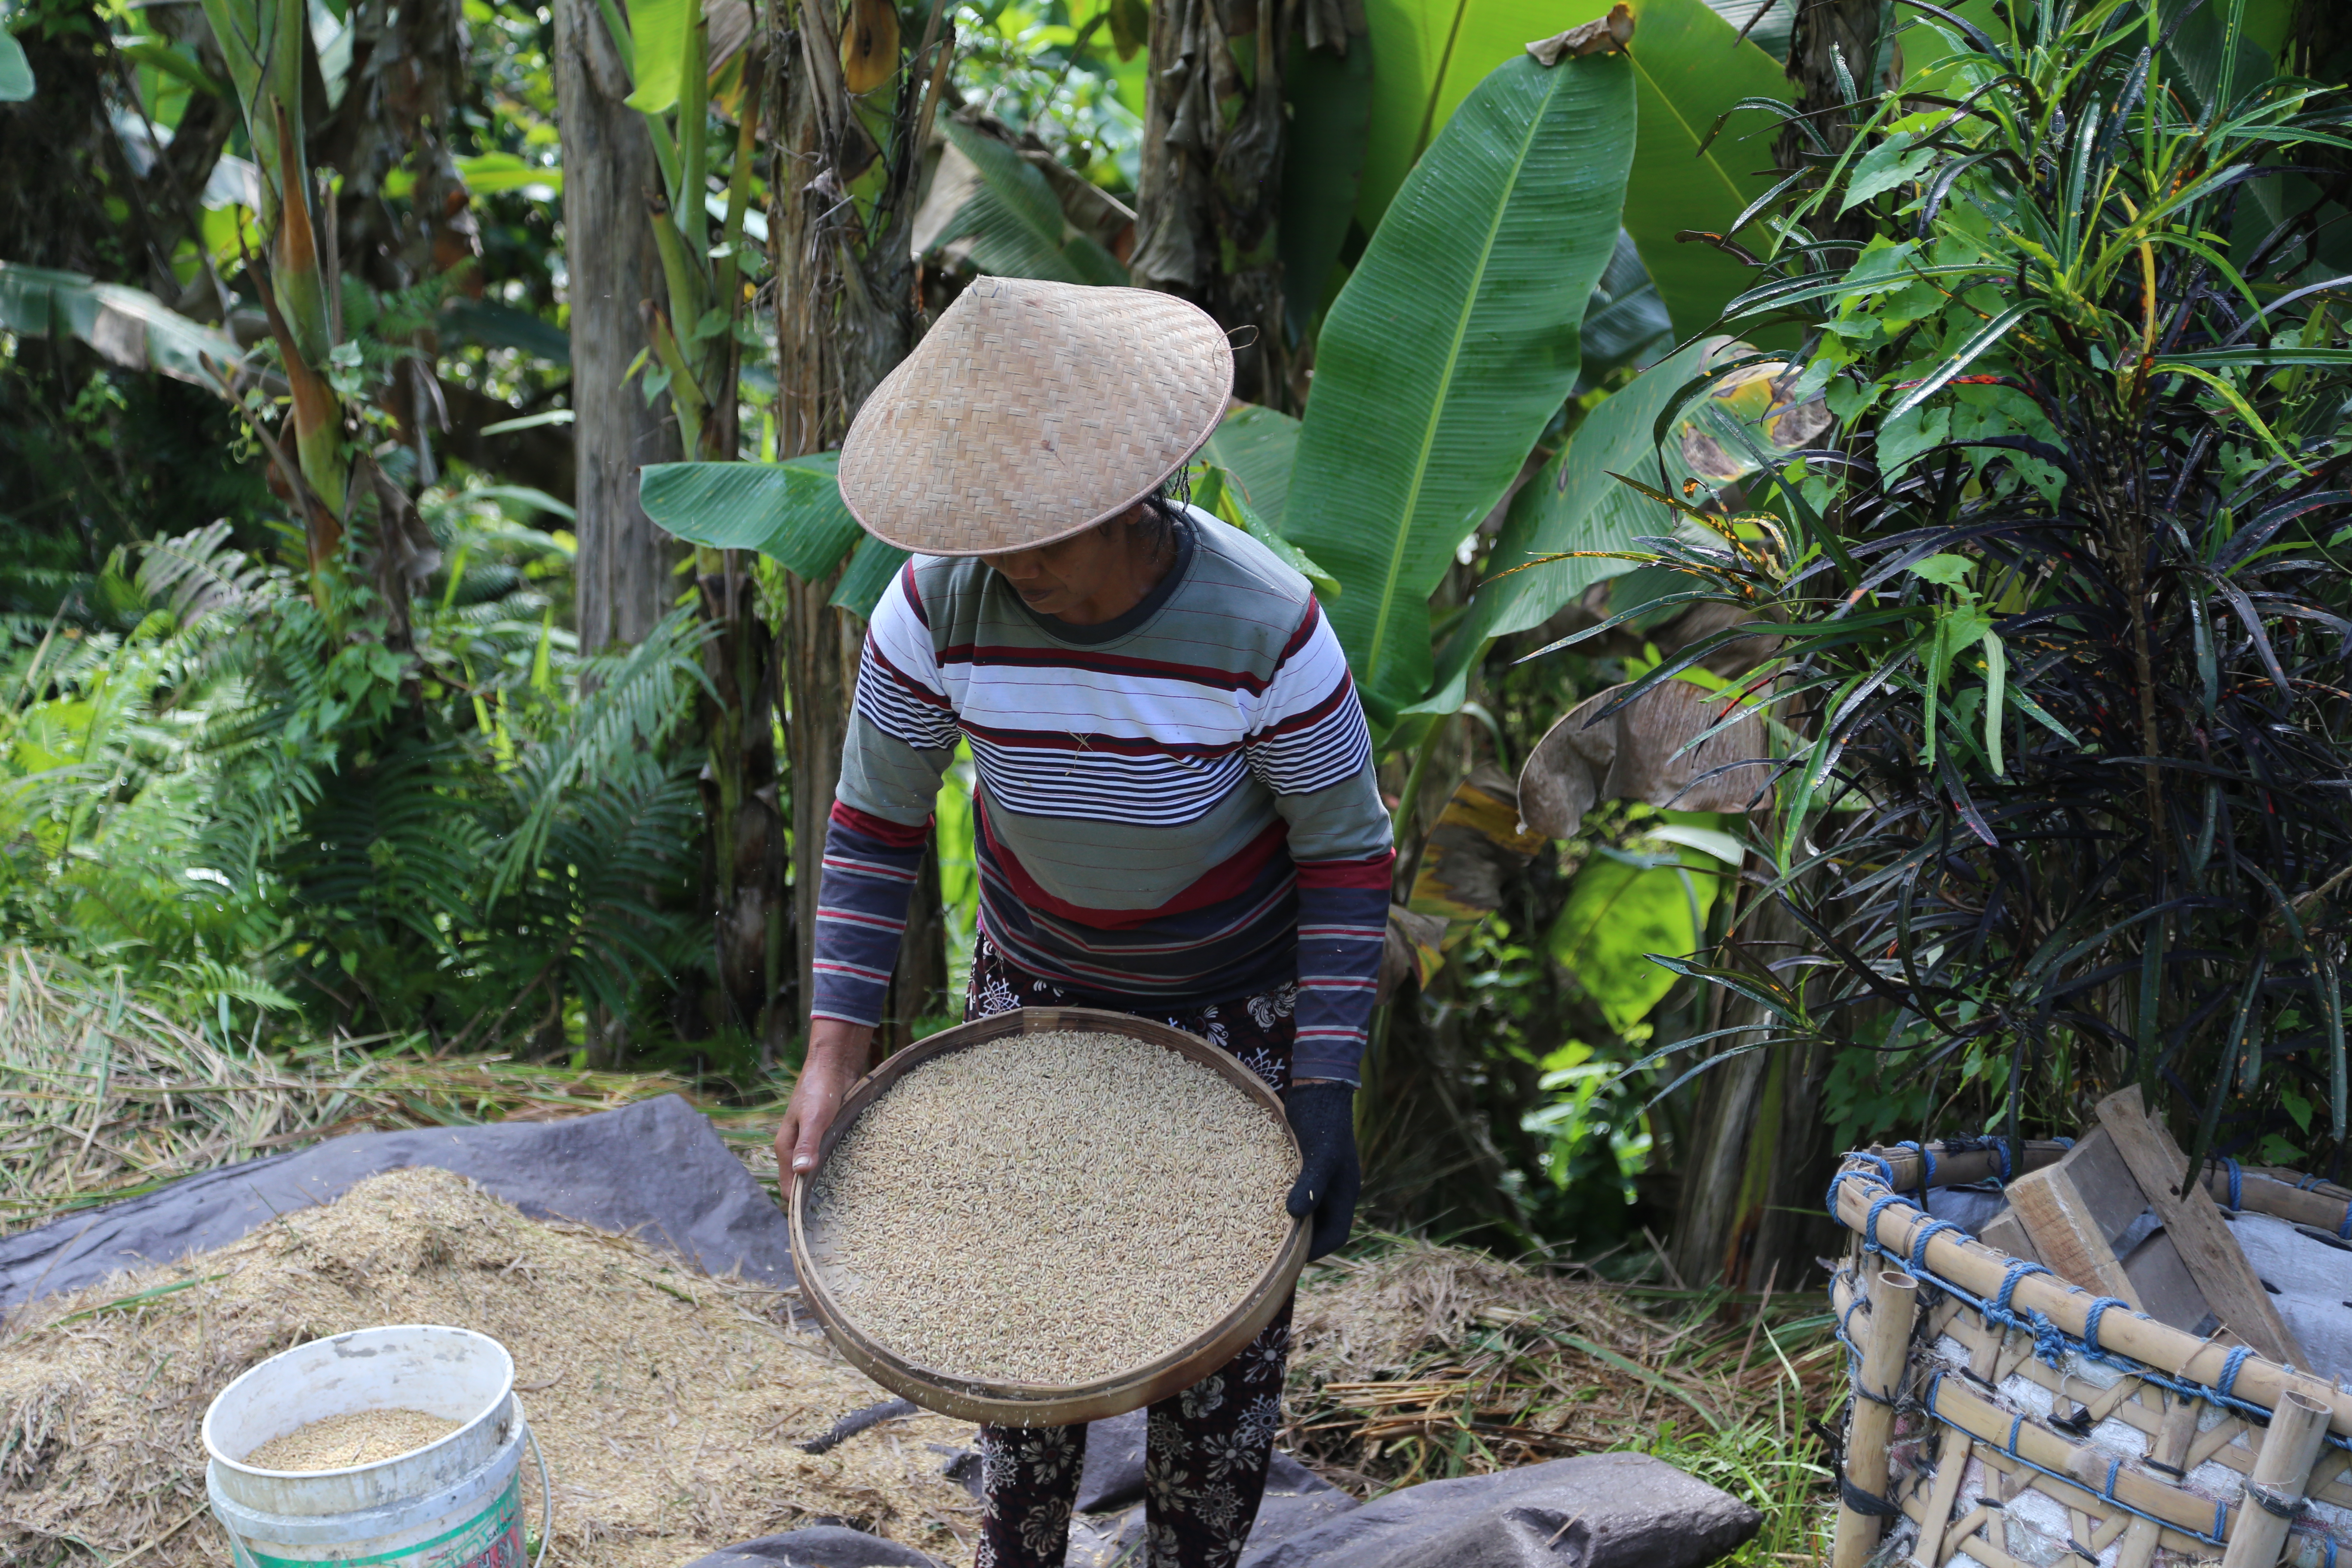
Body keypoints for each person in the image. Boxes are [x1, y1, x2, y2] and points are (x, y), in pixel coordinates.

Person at [774, 275, 1393, 1568]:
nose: (1019, 566)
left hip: (1232, 1012)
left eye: (1048, 535)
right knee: (1013, 1326)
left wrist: (1325, 1089)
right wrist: (833, 1052)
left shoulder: (1267, 627)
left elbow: (1345, 854)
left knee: (1216, 1362)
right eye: (993, 535)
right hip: (1031, 1002)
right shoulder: (935, 607)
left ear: (1128, 500)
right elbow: (875, 824)